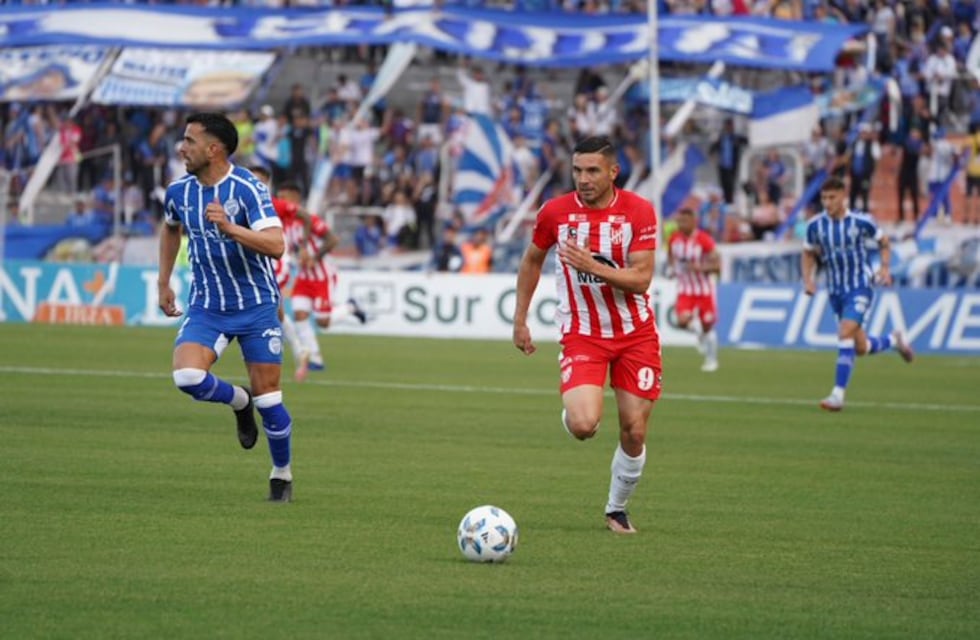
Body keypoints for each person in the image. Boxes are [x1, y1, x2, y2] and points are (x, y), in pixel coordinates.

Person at [512, 135, 662, 535]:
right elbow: (531, 262)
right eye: (577, 170)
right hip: (583, 335)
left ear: (614, 172)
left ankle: (616, 509)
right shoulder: (555, 213)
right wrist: (520, 319)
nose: (583, 179)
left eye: (593, 170)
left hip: (635, 335)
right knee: (583, 426)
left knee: (634, 430)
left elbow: (641, 279)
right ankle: (577, 406)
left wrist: (592, 266)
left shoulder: (639, 212)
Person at [157, 112, 295, 502]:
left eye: (190, 141)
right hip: (207, 307)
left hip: (256, 307)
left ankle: (281, 474)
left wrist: (231, 228)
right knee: (186, 378)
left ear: (214, 149)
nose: (182, 148)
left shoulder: (248, 188)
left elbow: (276, 245)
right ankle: (239, 401)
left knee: (271, 402)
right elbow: (170, 227)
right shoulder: (179, 192)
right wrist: (163, 280)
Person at [801, 177, 915, 412]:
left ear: (843, 196)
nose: (827, 203)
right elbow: (808, 252)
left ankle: (837, 395)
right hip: (835, 292)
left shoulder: (862, 222)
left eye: (831, 198)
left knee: (845, 332)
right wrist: (808, 280)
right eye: (823, 198)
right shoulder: (816, 226)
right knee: (859, 347)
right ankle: (894, 340)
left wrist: (884, 268)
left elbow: (884, 242)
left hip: (860, 286)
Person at [278, 182, 368, 382]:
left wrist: (315, 257)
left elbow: (332, 239)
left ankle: (350, 308)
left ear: (295, 198)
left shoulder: (310, 220)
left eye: (284, 197)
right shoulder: (283, 223)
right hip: (303, 276)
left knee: (323, 322)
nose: (280, 201)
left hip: (322, 275)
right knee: (300, 314)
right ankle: (315, 358)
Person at [249, 165, 308, 371]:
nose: (256, 184)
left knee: (272, 306)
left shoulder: (274, 204)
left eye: (260, 181)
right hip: (257, 260)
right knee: (274, 309)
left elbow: (305, 216)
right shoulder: (239, 202)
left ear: (266, 183)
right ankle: (297, 349)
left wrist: (303, 247)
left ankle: (293, 348)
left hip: (276, 260)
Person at [667, 207, 721, 372]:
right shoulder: (674, 239)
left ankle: (712, 359)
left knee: (707, 326)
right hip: (685, 289)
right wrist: (671, 269)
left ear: (693, 222)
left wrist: (700, 267)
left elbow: (717, 265)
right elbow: (671, 257)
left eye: (684, 220)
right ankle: (700, 337)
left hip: (703, 290)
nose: (680, 224)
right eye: (679, 220)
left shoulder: (704, 240)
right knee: (682, 321)